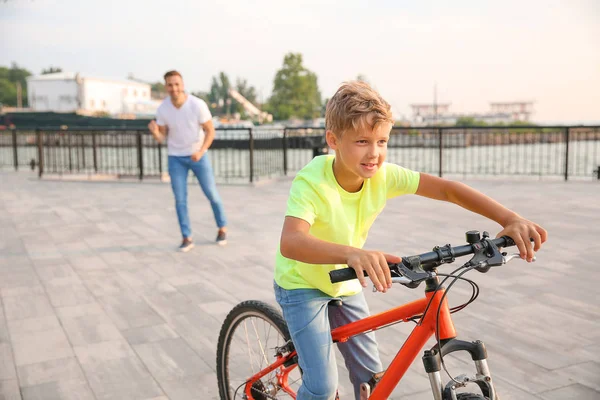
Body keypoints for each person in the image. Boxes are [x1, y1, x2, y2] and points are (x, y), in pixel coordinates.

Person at [274, 81, 547, 400]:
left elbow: (448, 189)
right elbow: (291, 242)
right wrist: (353, 254)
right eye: (362, 141)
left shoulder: (383, 175)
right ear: (333, 140)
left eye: (381, 141)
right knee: (320, 388)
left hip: (346, 283)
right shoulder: (312, 182)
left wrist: (509, 219)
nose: (374, 153)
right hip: (301, 284)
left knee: (372, 378)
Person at [148, 70, 227, 252]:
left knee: (211, 194)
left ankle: (222, 227)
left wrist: (201, 151)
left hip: (198, 156)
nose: (174, 88)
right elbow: (161, 138)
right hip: (176, 158)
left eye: (177, 84)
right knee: (180, 200)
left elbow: (210, 130)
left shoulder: (197, 105)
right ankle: (186, 237)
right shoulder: (163, 109)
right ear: (166, 87)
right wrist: (154, 132)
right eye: (170, 85)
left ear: (183, 85)